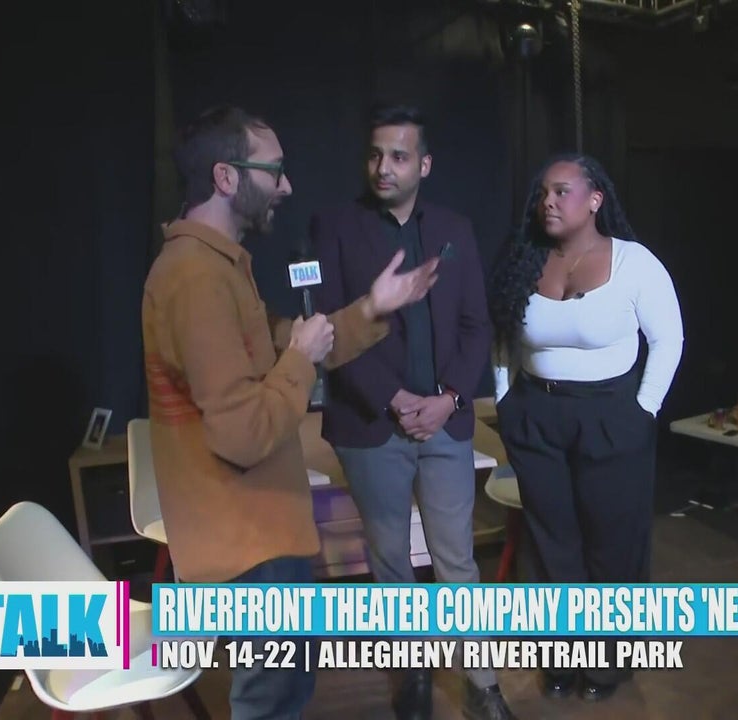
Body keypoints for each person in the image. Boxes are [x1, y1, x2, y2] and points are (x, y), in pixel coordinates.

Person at [142, 105, 439, 720]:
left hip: (260, 528)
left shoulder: (219, 265)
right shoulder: (196, 278)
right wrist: (302, 358)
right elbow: (244, 431)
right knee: (272, 698)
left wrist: (370, 309)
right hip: (246, 539)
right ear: (226, 177)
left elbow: (282, 344)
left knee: (283, 690)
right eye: (273, 171)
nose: (286, 186)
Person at [309, 104, 513, 720]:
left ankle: (483, 686)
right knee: (391, 561)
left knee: (457, 560)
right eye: (375, 155)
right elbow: (330, 330)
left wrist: (448, 399)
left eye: (398, 156)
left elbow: (476, 326)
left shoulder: (455, 228)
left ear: (424, 164)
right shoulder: (334, 227)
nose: (383, 167)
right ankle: (413, 677)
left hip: (445, 422)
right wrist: (396, 400)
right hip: (372, 426)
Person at [488, 153, 684, 702]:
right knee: (552, 543)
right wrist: (506, 401)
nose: (547, 202)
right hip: (537, 414)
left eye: (562, 191)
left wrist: (643, 410)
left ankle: (605, 663)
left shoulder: (634, 263)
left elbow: (668, 340)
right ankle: (560, 656)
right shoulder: (525, 259)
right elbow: (502, 337)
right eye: (543, 193)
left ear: (595, 199)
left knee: (611, 543)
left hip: (610, 415)